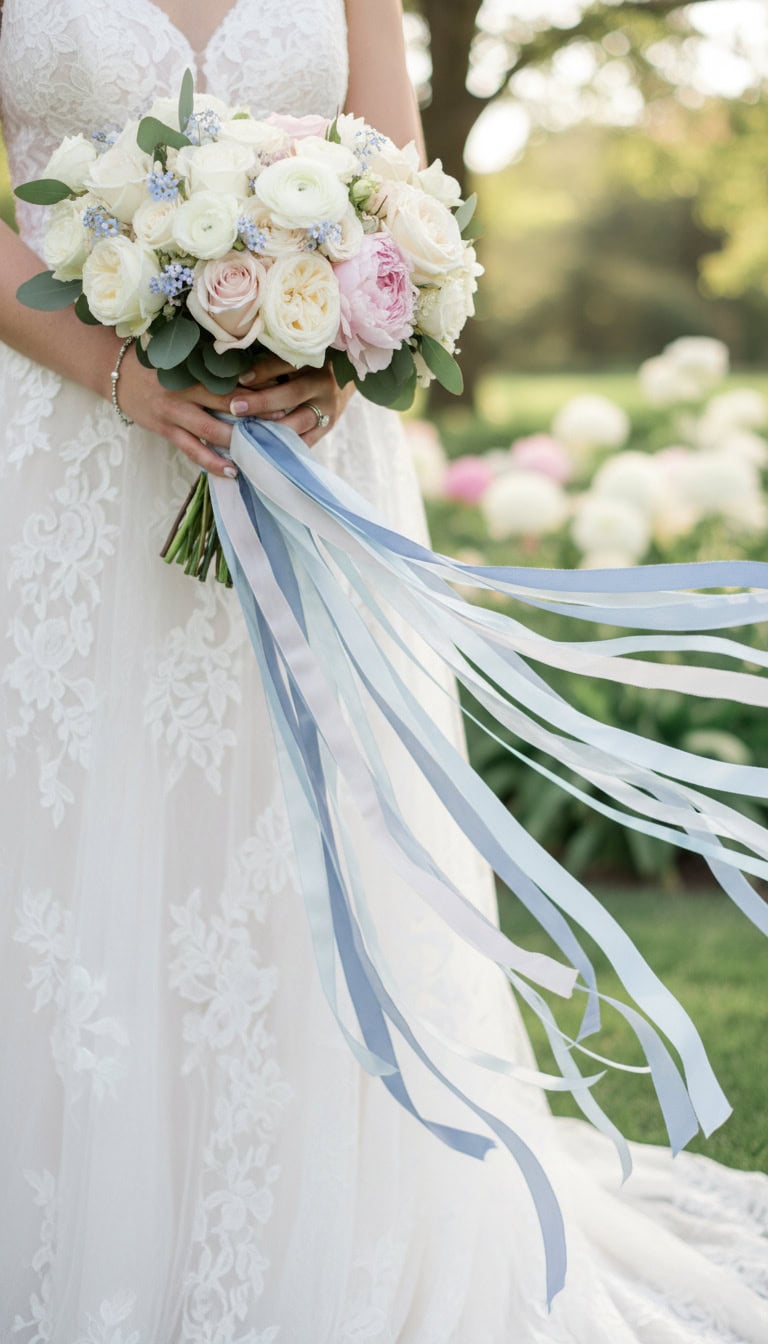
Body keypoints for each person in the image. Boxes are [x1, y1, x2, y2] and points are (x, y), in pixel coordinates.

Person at [0, 2, 765, 1339]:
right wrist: (127, 378)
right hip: (69, 467)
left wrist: (337, 362)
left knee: (297, 834)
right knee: (74, 834)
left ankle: (319, 1222)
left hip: (309, 453)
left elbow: (401, 194)